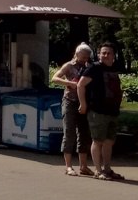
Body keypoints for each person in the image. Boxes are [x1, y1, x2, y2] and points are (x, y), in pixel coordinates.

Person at [77, 42, 125, 180]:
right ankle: (98, 171)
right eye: (103, 53)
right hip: (97, 111)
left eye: (108, 53)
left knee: (109, 141)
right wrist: (83, 104)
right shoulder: (94, 68)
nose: (105, 55)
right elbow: (80, 85)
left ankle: (107, 169)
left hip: (113, 111)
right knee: (97, 140)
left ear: (113, 56)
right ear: (98, 54)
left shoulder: (114, 68)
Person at [53, 43, 95, 177]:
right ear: (76, 54)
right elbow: (55, 78)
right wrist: (68, 83)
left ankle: (83, 166)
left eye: (86, 57)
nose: (84, 60)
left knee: (84, 133)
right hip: (70, 101)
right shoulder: (68, 66)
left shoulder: (89, 66)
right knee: (69, 131)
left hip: (84, 102)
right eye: (82, 57)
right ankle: (68, 166)